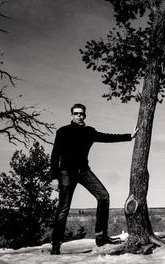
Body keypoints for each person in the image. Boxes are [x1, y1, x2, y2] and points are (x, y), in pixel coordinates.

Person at [49, 103, 138, 255]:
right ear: (71, 115)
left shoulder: (89, 132)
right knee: (63, 208)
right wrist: (54, 178)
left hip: (84, 171)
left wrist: (129, 136)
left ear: (84, 115)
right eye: (76, 113)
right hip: (66, 173)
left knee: (103, 196)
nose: (79, 116)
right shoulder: (63, 131)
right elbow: (54, 155)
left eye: (81, 113)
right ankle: (56, 244)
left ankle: (101, 236)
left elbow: (107, 137)